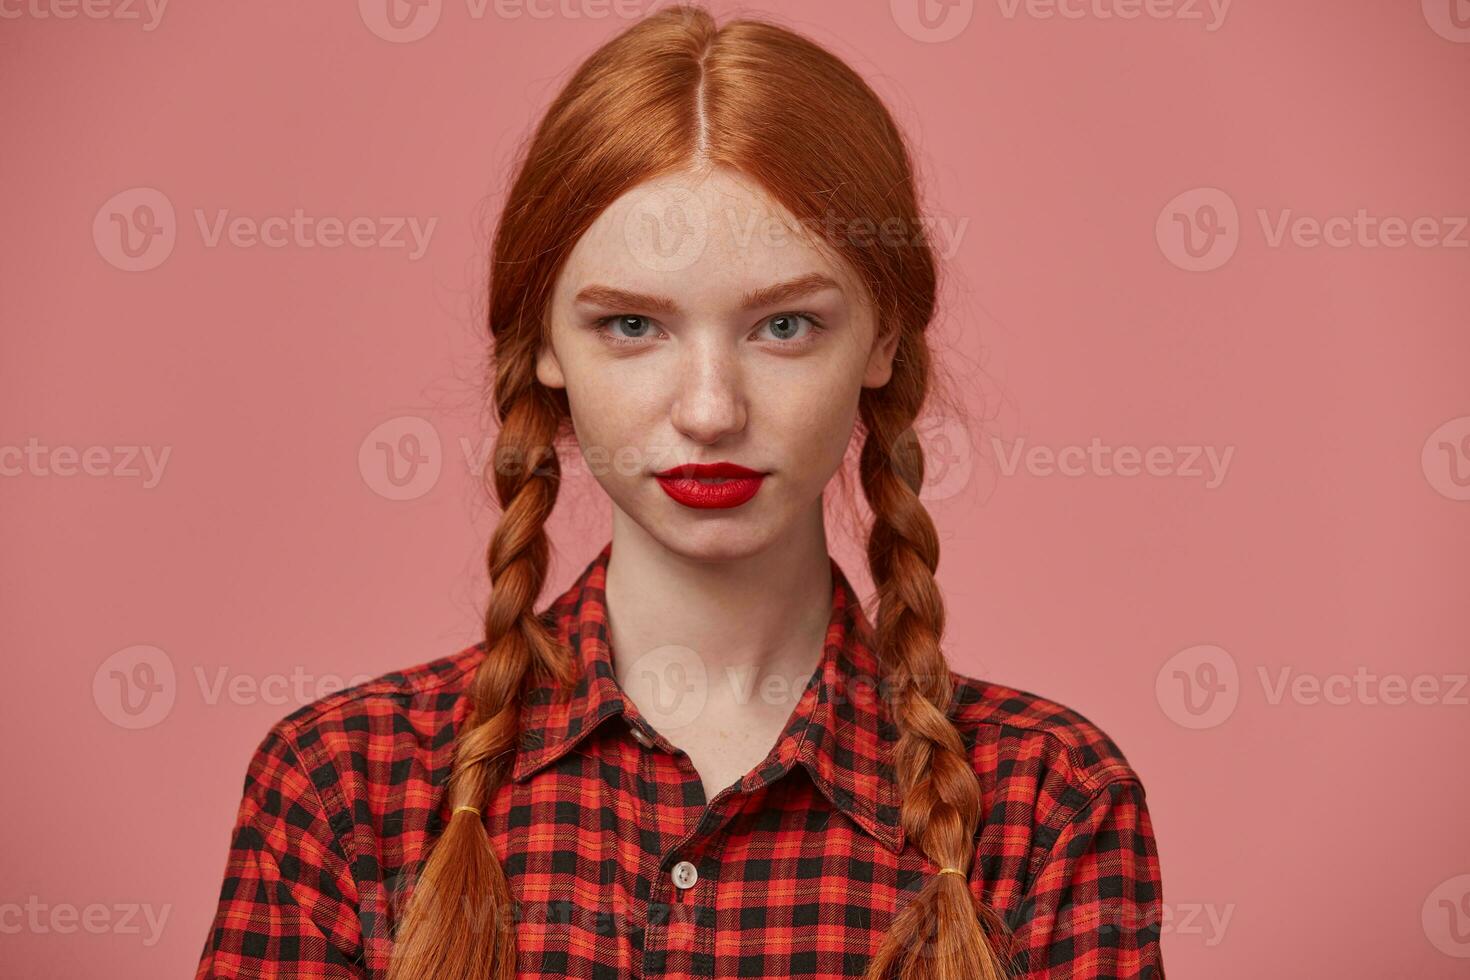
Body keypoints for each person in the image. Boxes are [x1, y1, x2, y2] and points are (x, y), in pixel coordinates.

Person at [194, 6, 1164, 978]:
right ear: (542, 345)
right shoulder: (344, 786)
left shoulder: (1052, 801)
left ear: (883, 339)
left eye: (784, 325)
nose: (709, 410)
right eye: (631, 324)